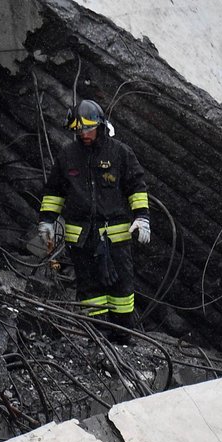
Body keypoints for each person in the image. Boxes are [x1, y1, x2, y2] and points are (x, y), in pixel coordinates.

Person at [37, 100, 150, 344]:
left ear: (99, 125)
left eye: (88, 129)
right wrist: (47, 221)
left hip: (115, 238)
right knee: (89, 290)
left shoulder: (120, 153)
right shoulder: (68, 155)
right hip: (82, 239)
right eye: (79, 131)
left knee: (121, 289)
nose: (84, 135)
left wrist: (142, 217)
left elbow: (136, 186)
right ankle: (97, 335)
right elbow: (54, 191)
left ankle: (123, 335)